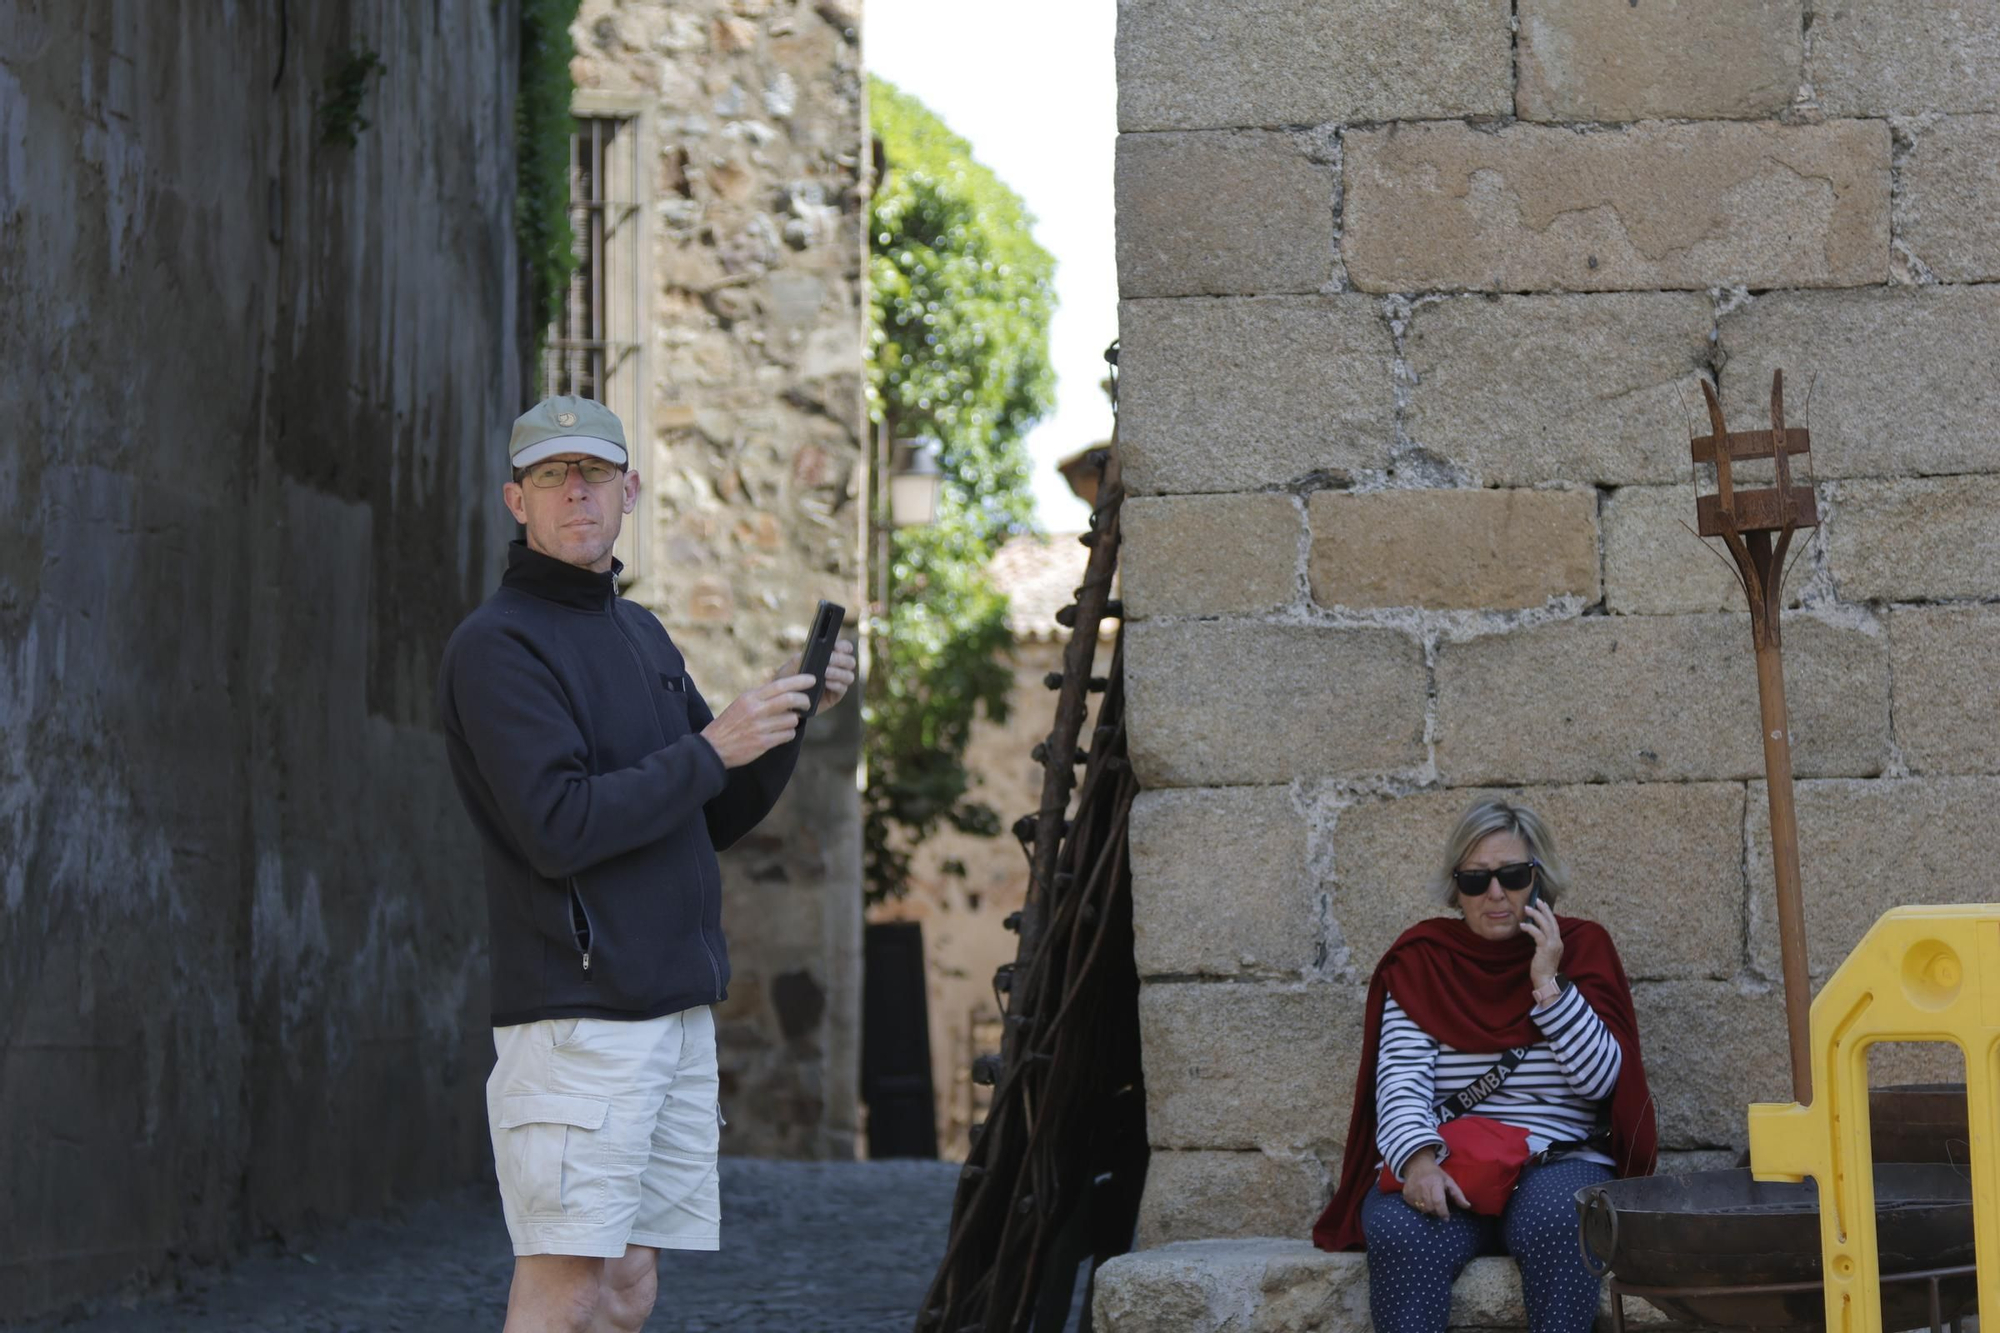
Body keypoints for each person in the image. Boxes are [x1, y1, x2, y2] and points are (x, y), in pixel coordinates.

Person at [436, 395, 857, 1333]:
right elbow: (558, 823)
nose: (576, 491)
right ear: (517, 500)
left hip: (669, 1013)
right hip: (579, 1021)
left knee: (626, 1290)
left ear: (631, 489)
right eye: (552, 476)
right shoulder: (496, 647)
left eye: (593, 473)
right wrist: (715, 745)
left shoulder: (643, 634)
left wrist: (785, 723)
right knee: (567, 1289)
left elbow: (712, 811)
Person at [1310, 797, 1657, 1333]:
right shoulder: (1424, 962)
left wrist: (1549, 984)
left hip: (1556, 1162)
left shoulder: (1582, 950)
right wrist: (1419, 1164)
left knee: (1565, 1219)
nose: (1496, 894)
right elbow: (1400, 1084)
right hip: (1450, 1163)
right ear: (1457, 887)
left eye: (1513, 876)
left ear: (1539, 878)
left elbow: (1602, 1084)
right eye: (1476, 880)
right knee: (1400, 1231)